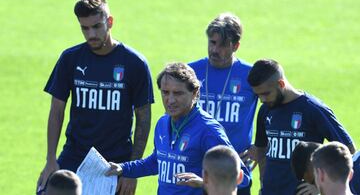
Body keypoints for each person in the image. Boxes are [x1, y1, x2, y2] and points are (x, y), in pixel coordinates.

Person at [37, 0, 154, 195]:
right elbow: (57, 110)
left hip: (115, 164)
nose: (91, 34)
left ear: (110, 22)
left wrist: (132, 171)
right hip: (74, 156)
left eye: (96, 26)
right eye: (85, 28)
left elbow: (143, 119)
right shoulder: (70, 59)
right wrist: (50, 160)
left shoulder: (135, 63)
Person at [105, 62, 246, 195]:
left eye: (178, 93)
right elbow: (156, 161)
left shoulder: (208, 130)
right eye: (165, 92)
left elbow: (244, 178)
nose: (170, 100)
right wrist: (123, 168)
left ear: (195, 93)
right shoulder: (162, 123)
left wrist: (204, 183)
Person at [243, 59, 355, 195]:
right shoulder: (265, 110)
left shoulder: (313, 109)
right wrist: (262, 183)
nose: (262, 100)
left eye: (266, 93)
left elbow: (348, 150)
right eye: (258, 95)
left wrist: (319, 187)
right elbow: (263, 149)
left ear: (281, 83)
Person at [188, 12, 257, 194]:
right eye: (212, 42)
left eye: (223, 45)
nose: (215, 50)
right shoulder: (191, 72)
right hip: (196, 167)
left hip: (234, 170)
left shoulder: (250, 75)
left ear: (236, 46)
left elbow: (273, 108)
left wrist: (261, 146)